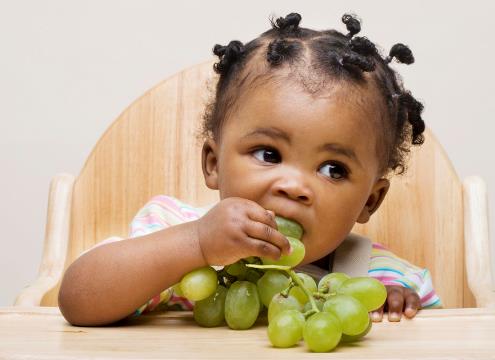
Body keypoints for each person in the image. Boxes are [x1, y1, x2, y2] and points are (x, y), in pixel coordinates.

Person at [58, 12, 441, 327]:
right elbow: (77, 300)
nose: (294, 186)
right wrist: (195, 244)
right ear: (213, 164)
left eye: (332, 169)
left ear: (369, 200)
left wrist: (399, 310)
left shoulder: (379, 276)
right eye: (269, 154)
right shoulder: (173, 230)